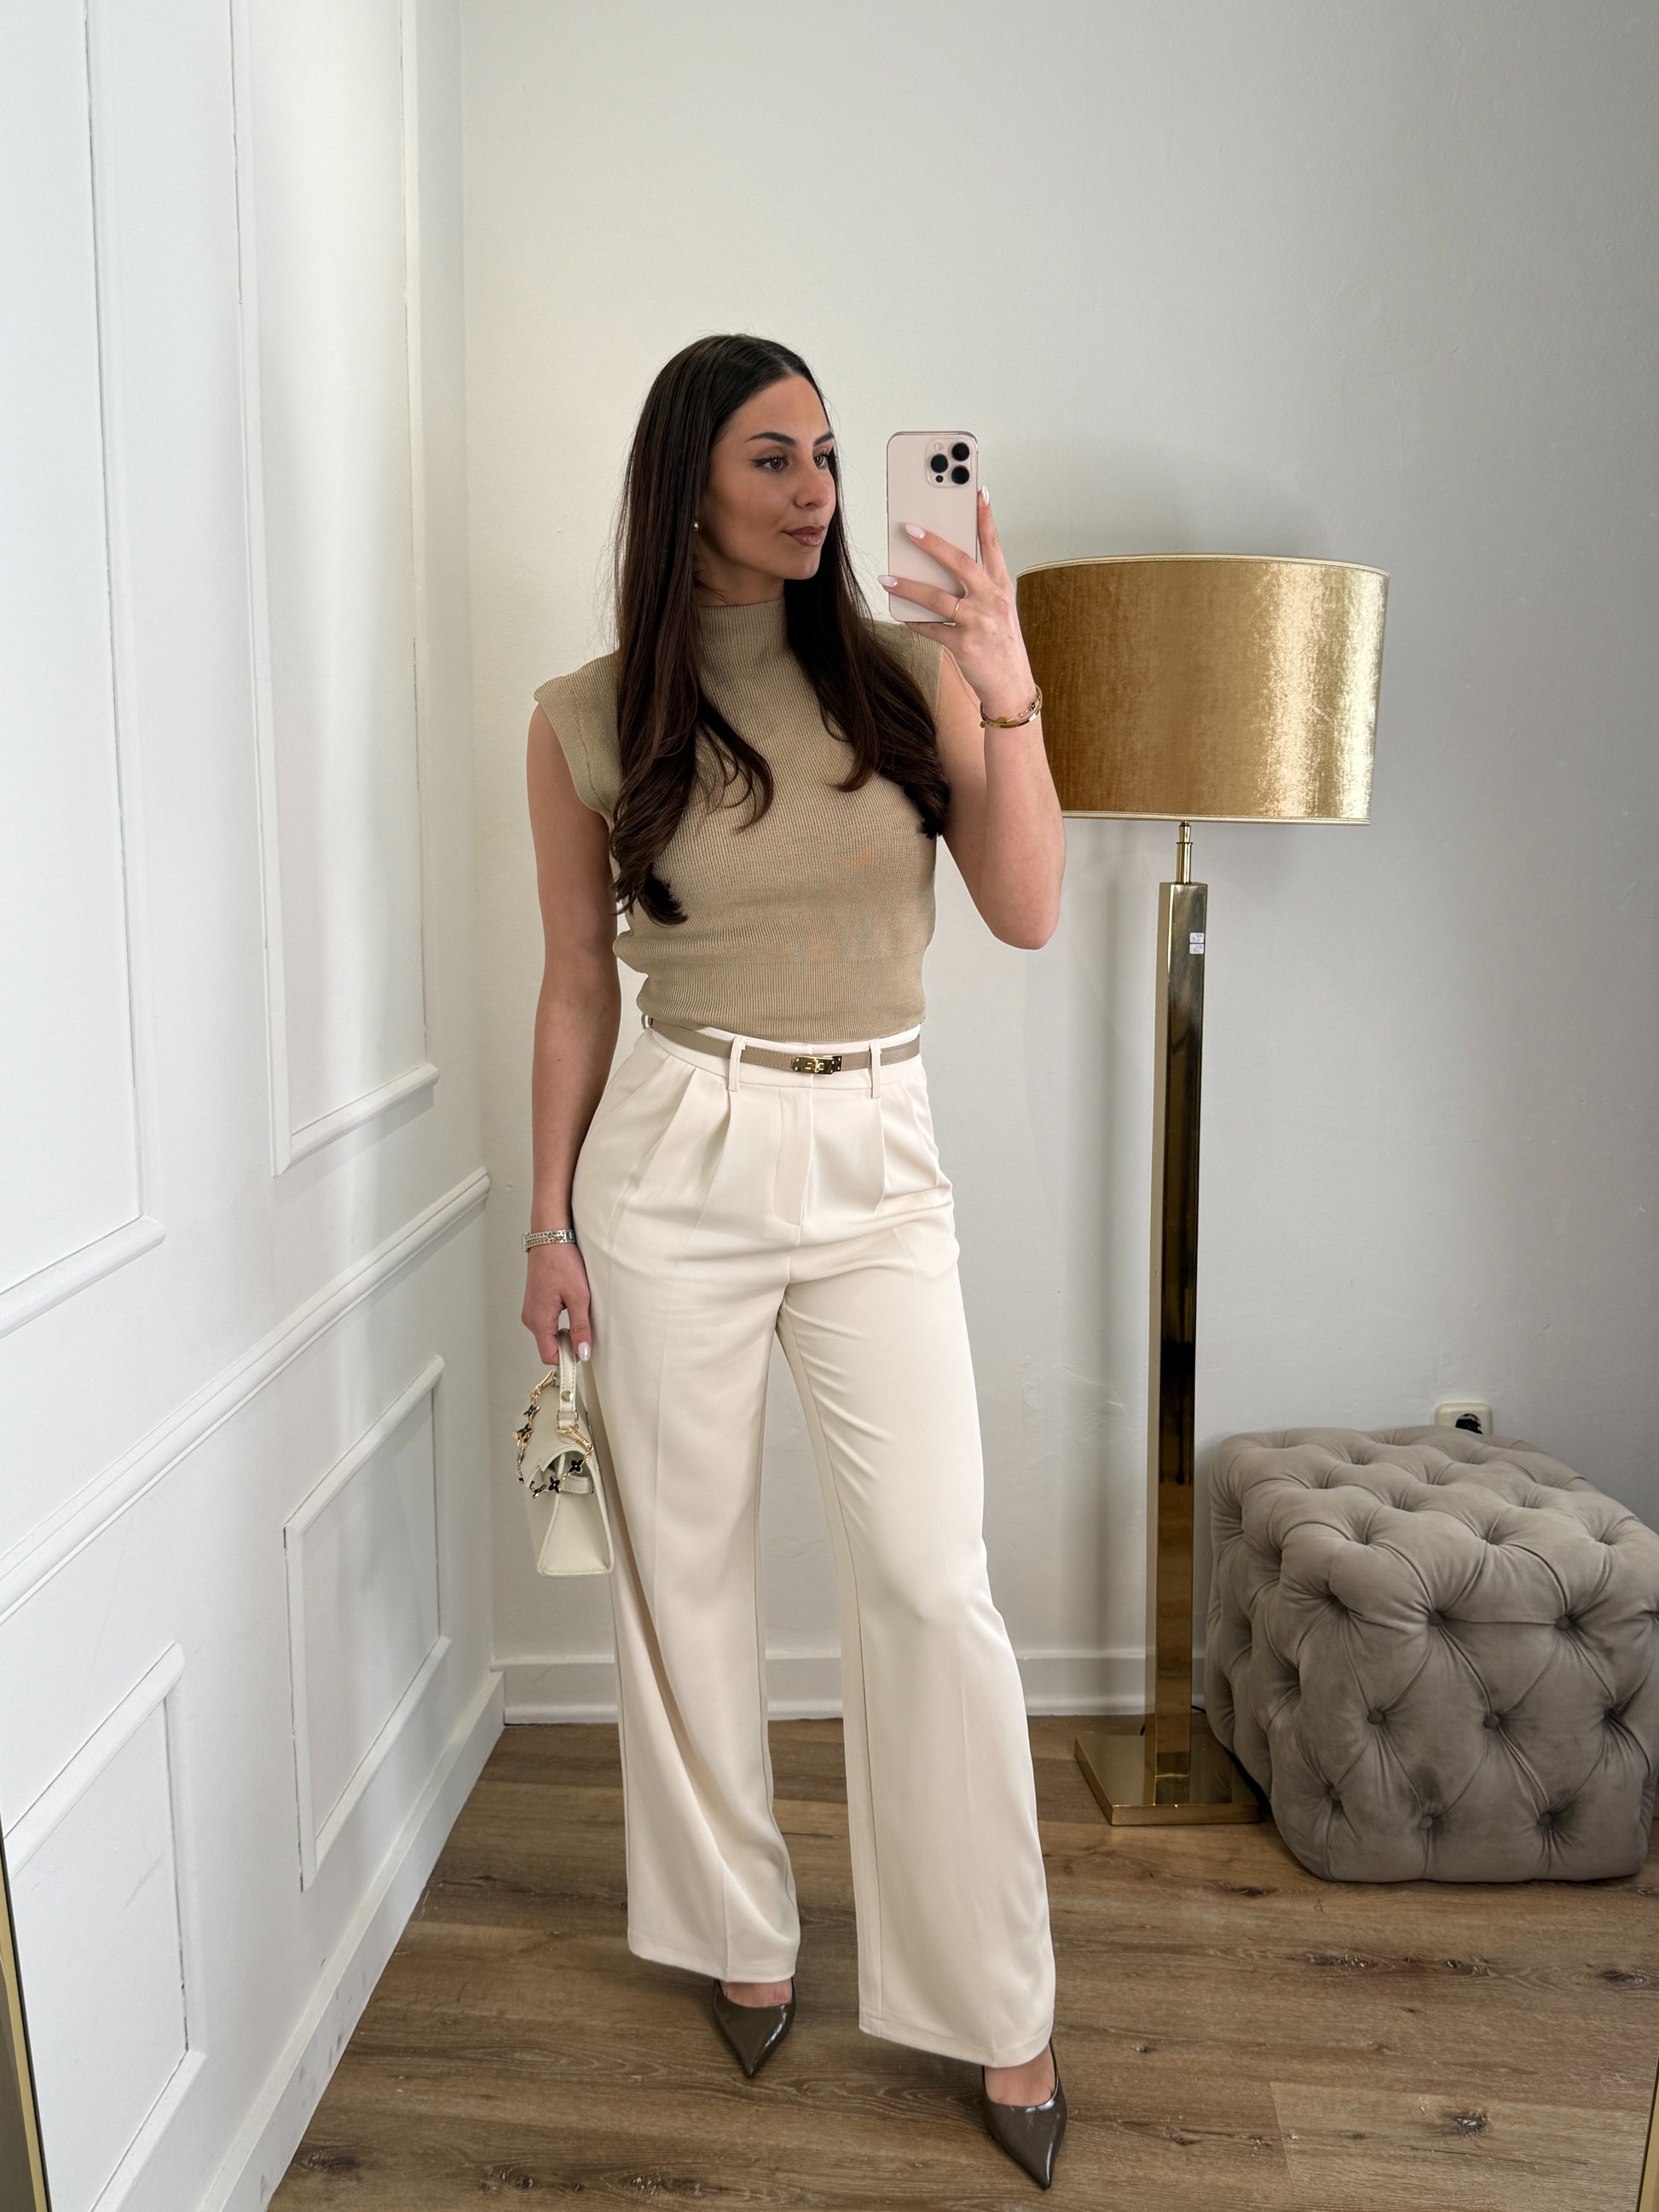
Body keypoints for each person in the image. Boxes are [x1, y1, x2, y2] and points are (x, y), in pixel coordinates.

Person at [522, 333, 1068, 2189]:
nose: (819, 488)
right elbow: (576, 981)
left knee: (929, 1578)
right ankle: (739, 1924)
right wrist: (546, 1222)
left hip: (878, 1154)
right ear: (685, 482)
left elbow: (1024, 908)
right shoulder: (585, 717)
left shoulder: (907, 675)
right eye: (773, 456)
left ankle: (997, 1996)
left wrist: (1008, 687)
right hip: (673, 1153)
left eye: (827, 452)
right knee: (683, 1571)